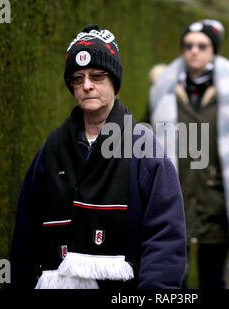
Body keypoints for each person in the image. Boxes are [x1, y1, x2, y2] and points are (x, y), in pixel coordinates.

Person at [10, 24, 187, 289]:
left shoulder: (144, 147)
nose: (87, 85)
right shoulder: (52, 148)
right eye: (78, 78)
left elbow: (166, 236)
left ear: (114, 81)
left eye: (97, 76)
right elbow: (26, 234)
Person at [147, 19, 229, 288]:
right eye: (188, 45)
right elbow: (145, 143)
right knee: (173, 280)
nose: (194, 51)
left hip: (218, 201)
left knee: (213, 279)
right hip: (174, 200)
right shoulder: (162, 90)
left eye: (202, 45)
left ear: (214, 50)